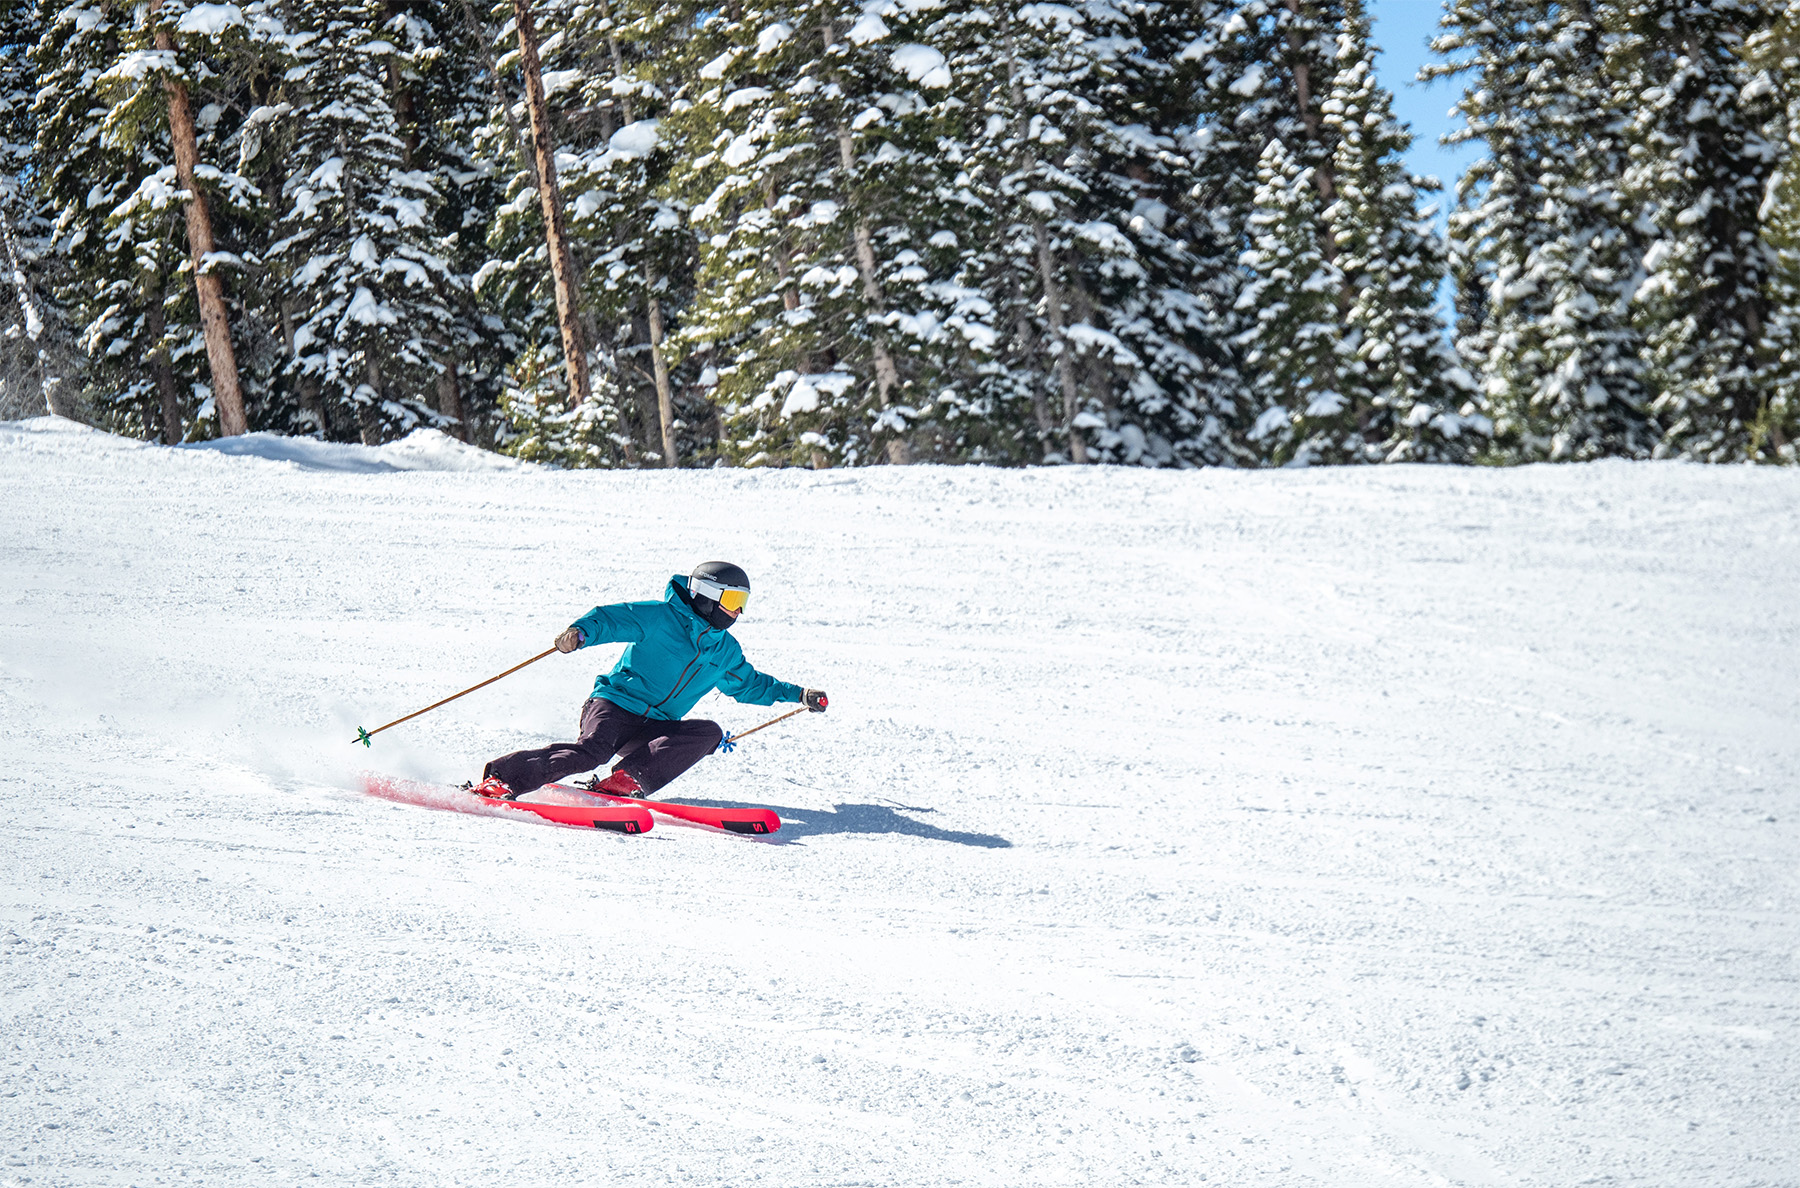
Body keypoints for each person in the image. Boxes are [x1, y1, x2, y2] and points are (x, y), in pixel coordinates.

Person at [472, 562, 827, 801]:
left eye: (742, 603)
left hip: (658, 725)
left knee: (708, 731)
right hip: (614, 705)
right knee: (593, 752)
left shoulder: (725, 651)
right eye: (732, 599)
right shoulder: (661, 617)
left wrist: (798, 694)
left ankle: (626, 781)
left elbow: (751, 684)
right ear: (706, 595)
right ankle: (502, 778)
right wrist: (579, 633)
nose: (737, 612)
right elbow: (611, 619)